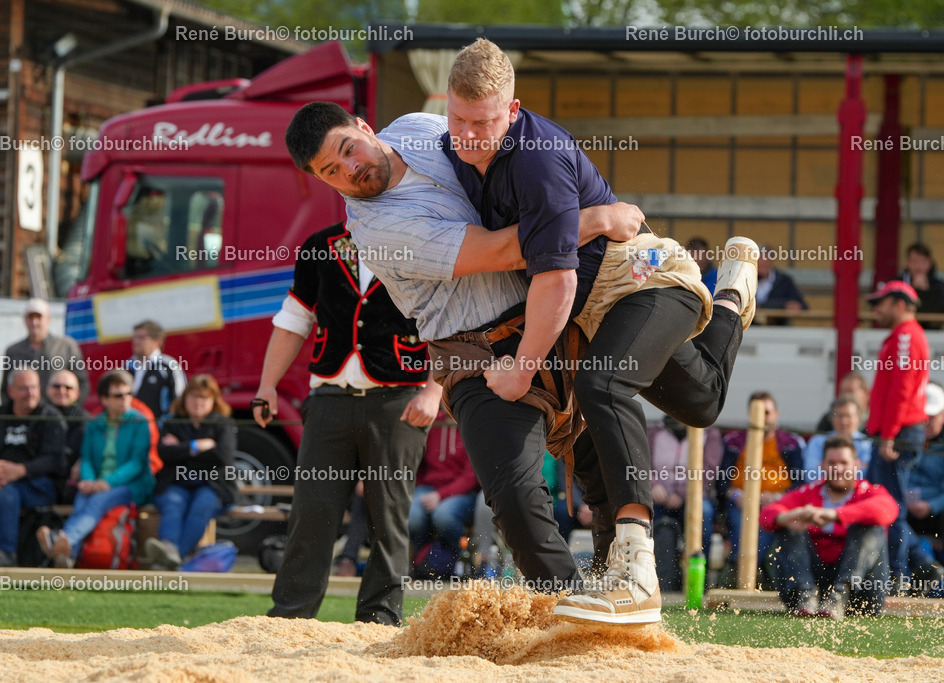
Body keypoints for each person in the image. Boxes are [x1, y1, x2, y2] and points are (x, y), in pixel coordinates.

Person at [285, 76, 755, 624]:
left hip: (555, 317)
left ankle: (620, 602)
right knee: (512, 494)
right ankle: (567, 612)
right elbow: (505, 249)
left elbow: (497, 147)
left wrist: (571, 189)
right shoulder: (376, 228)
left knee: (684, 415)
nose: (350, 171)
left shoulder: (418, 128)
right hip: (476, 352)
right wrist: (598, 217)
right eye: (330, 173)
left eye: (348, 150)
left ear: (365, 128)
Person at [253, 223, 442, 627]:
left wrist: (433, 391)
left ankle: (380, 619)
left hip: (400, 399)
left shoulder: (421, 242)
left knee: (388, 517)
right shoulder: (320, 245)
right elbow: (294, 319)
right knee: (311, 512)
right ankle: (290, 616)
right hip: (328, 397)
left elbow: (449, 320)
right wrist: (267, 385)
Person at [762, 436, 897, 619]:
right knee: (788, 525)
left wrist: (835, 515)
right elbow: (767, 513)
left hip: (861, 595)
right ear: (822, 465)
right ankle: (805, 594)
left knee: (870, 527)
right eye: (832, 463)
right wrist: (788, 517)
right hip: (813, 585)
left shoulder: (869, 491)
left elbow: (888, 509)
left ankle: (840, 595)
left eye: (844, 463)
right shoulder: (807, 492)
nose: (838, 469)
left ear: (857, 465)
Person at [36, 370, 154, 568]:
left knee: (97, 500)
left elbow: (137, 463)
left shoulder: (140, 422)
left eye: (128, 394)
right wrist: (89, 481)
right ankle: (67, 555)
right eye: (118, 395)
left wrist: (107, 483)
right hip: (98, 484)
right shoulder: (95, 423)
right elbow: (87, 458)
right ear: (105, 399)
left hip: (132, 486)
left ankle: (63, 541)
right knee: (83, 498)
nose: (125, 399)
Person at [864, 280, 929, 591]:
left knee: (891, 508)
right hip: (897, 431)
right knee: (887, 505)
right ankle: (918, 567)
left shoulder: (905, 336)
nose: (877, 309)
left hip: (898, 433)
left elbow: (901, 392)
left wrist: (888, 435)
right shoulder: (904, 336)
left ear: (900, 304)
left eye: (882, 303)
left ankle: (896, 577)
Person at [146, 374, 236, 569]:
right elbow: (164, 453)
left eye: (204, 398)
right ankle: (170, 549)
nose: (198, 403)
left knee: (201, 506)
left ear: (213, 401)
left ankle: (172, 556)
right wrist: (197, 446)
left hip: (212, 485)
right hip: (176, 483)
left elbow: (222, 456)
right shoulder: (173, 422)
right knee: (172, 504)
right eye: (193, 397)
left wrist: (183, 449)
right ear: (184, 399)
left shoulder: (223, 424)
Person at [0, 369, 66, 566]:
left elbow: (55, 461)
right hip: (0, 479)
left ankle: (6, 552)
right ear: (11, 391)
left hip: (42, 485)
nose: (31, 393)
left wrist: (22, 470)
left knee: (5, 491)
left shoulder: (50, 417)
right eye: (24, 388)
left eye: (34, 387)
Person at [721, 391, 806, 571]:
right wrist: (737, 495)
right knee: (740, 522)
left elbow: (800, 484)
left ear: (777, 414)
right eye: (756, 412)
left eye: (766, 412)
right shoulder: (733, 442)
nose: (762, 418)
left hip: (776, 502)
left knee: (767, 521)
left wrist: (778, 496)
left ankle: (754, 571)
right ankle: (740, 570)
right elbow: (721, 482)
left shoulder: (791, 443)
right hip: (741, 503)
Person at [647, 415, 723, 591]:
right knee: (646, 517)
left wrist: (683, 494)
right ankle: (658, 580)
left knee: (705, 513)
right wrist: (654, 484)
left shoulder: (709, 433)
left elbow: (709, 470)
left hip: (695, 496)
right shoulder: (653, 432)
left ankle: (699, 580)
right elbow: (642, 463)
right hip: (659, 497)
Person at [408, 418, 479, 563]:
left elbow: (470, 476)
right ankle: (424, 560)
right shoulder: (431, 421)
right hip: (428, 487)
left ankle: (463, 557)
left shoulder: (469, 420)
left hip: (463, 492)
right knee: (412, 515)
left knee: (443, 516)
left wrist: (441, 495)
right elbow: (417, 463)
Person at [0, 298, 89, 404]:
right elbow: (6, 388)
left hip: (59, 412)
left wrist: (70, 410)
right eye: (30, 317)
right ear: (25, 320)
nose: (34, 322)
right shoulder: (13, 351)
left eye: (39, 317)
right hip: (26, 414)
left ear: (48, 319)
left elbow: (82, 383)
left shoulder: (66, 347)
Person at [908, 383, 944, 579]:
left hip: (937, 513)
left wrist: (932, 505)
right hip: (904, 509)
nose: (927, 422)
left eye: (933, 417)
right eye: (924, 416)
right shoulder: (904, 437)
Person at [802, 395, 874, 482]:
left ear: (859, 418)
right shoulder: (817, 441)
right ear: (831, 418)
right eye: (839, 416)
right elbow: (811, 475)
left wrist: (828, 471)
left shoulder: (868, 444)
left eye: (848, 416)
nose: (844, 421)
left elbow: (867, 476)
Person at [45, 369, 89, 504]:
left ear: (77, 393)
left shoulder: (87, 422)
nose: (61, 391)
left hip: (74, 484)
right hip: (44, 481)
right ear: (47, 390)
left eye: (68, 387)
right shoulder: (37, 417)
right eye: (56, 386)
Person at [129, 320, 187, 419]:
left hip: (160, 429)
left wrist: (166, 428)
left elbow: (179, 401)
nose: (136, 342)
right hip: (131, 429)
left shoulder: (169, 366)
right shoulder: (126, 367)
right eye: (135, 337)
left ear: (158, 341)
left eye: (142, 337)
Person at [755, 245, 807, 324]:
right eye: (759, 266)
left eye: (765, 266)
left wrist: (791, 306)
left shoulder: (784, 281)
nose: (761, 271)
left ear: (771, 262)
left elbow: (802, 306)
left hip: (779, 328)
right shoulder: (747, 280)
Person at [897, 242, 944, 329]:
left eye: (922, 261)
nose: (918, 265)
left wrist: (925, 291)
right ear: (907, 262)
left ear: (930, 263)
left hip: (932, 335)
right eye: (914, 261)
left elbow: (938, 313)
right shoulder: (897, 284)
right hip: (902, 332)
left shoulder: (939, 286)